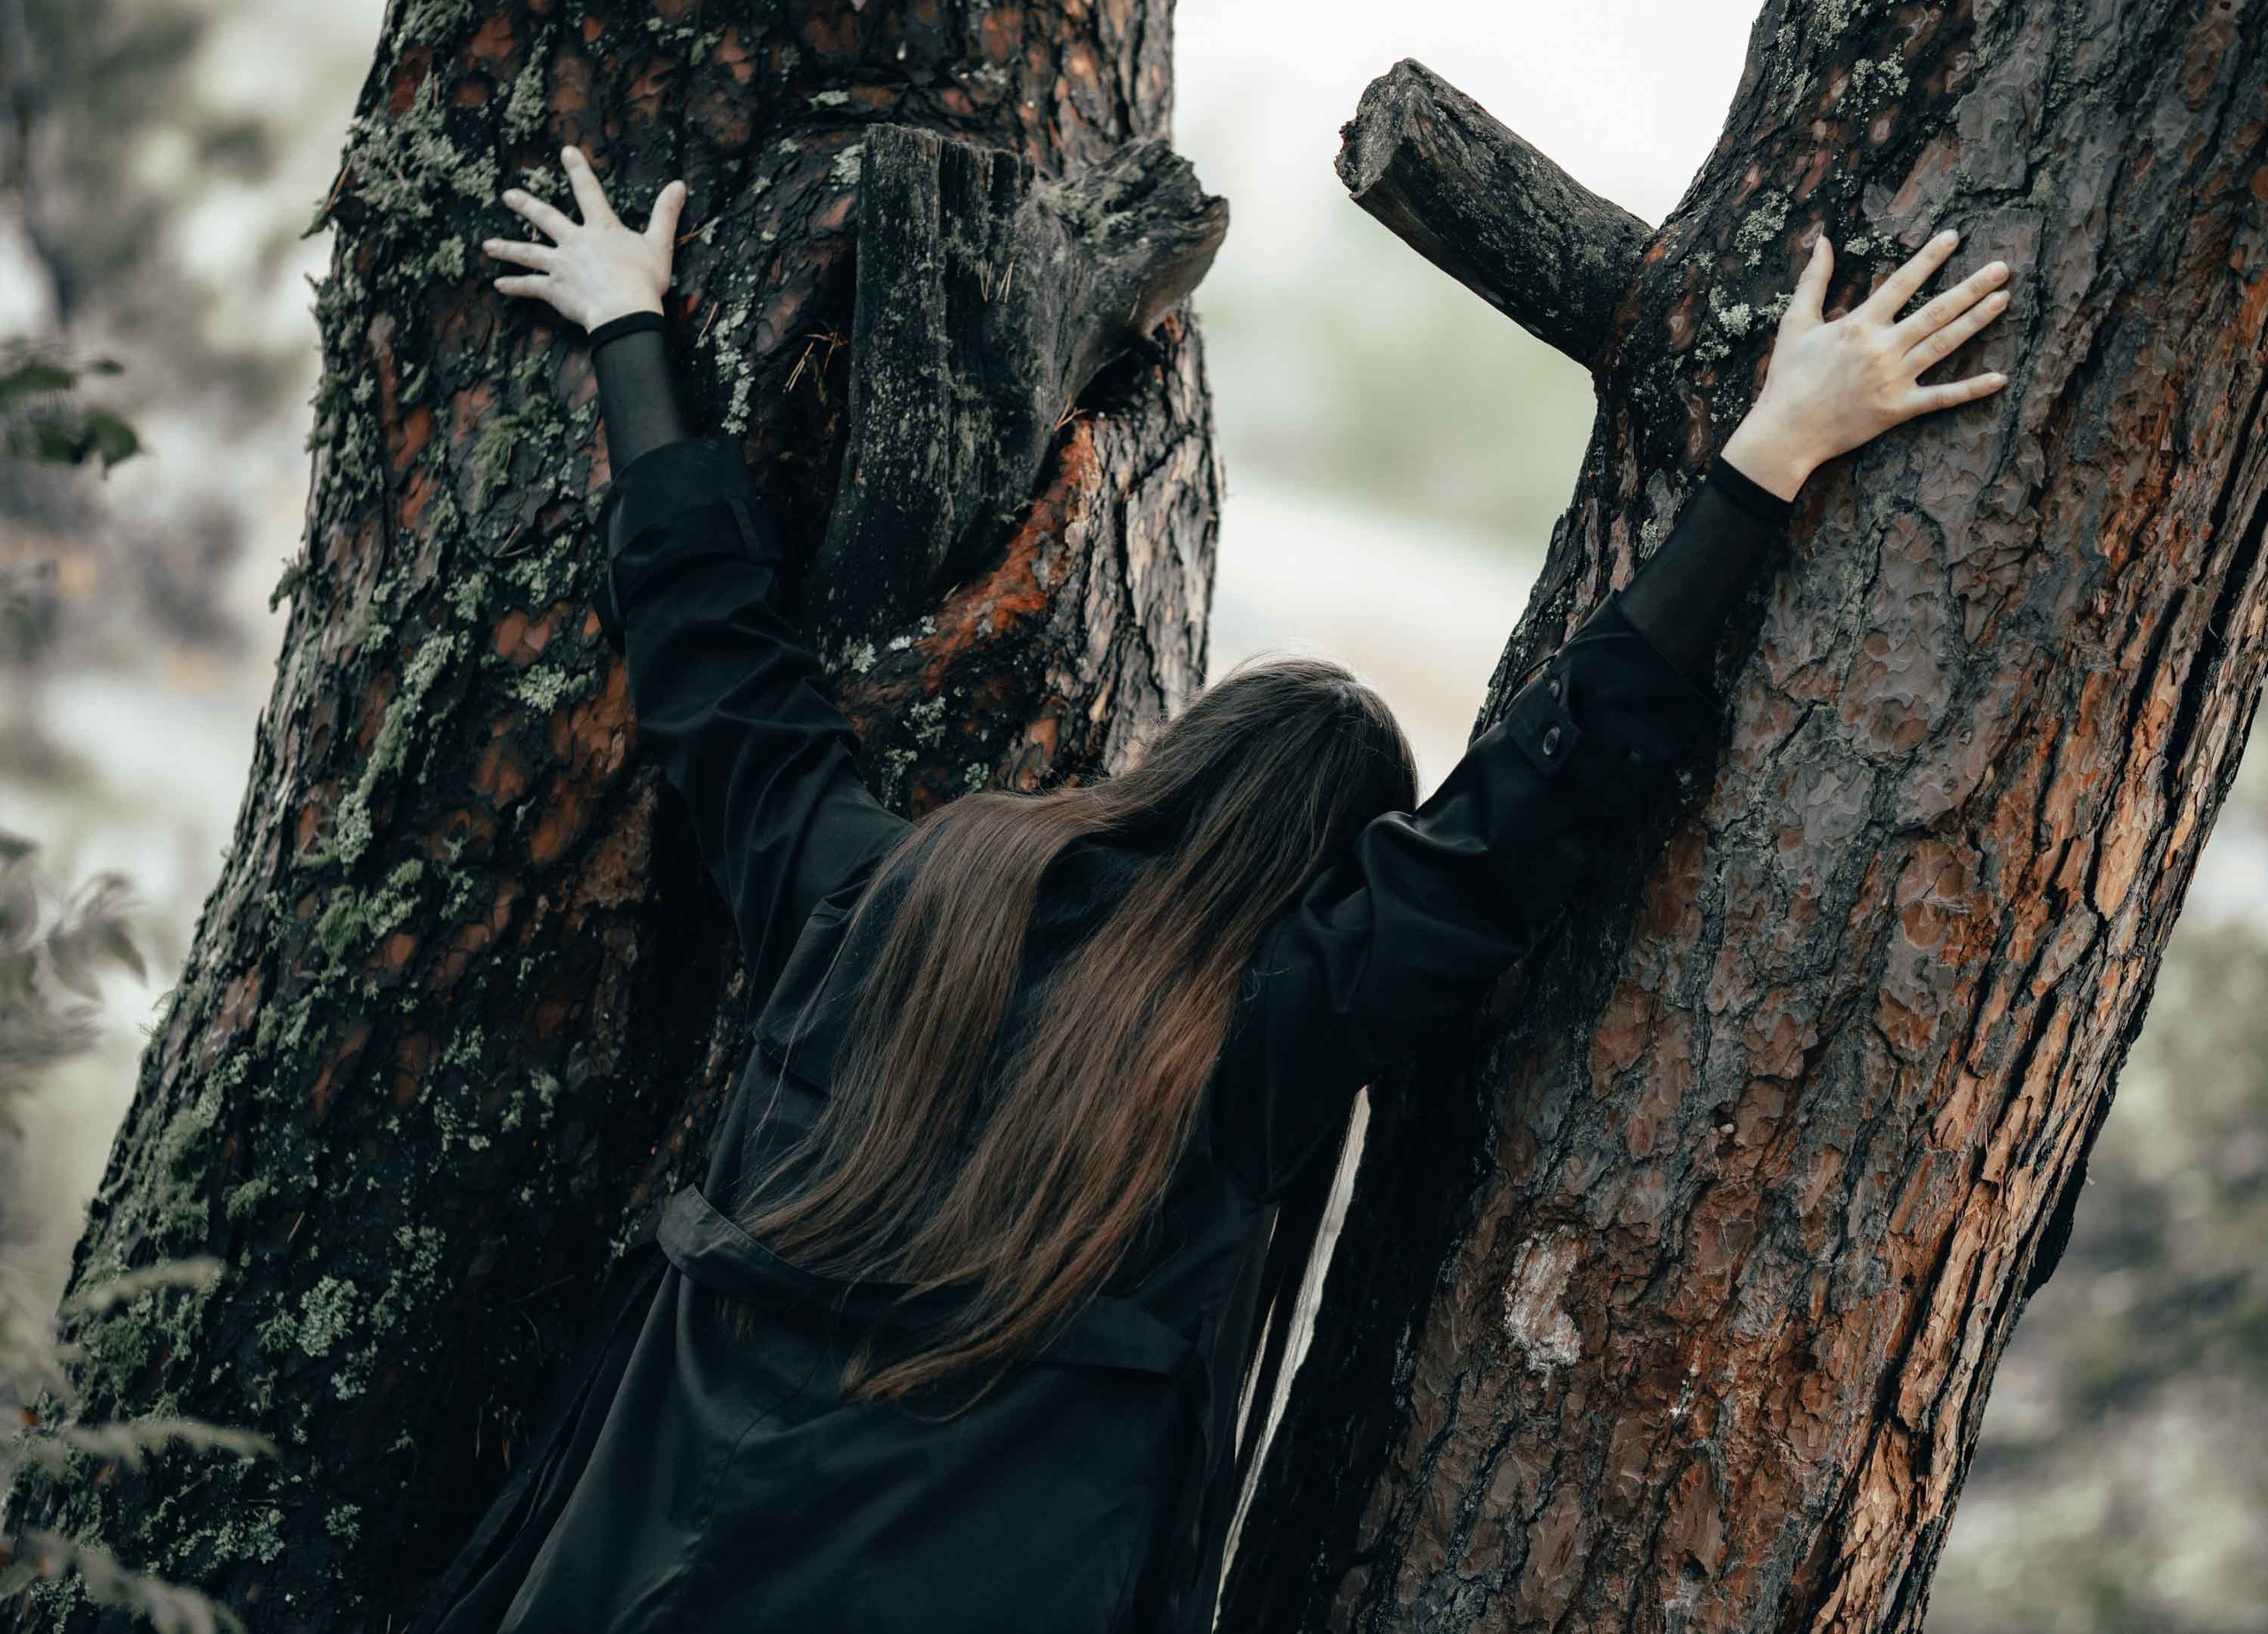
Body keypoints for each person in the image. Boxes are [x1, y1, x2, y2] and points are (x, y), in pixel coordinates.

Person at [413, 144, 2013, 1634]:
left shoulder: (881, 895)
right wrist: (1767, 460)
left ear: (1175, 775)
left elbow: (716, 671)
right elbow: (1530, 804)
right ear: (1320, 882)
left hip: (633, 1555)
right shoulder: (1258, 1043)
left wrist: (632, 326)